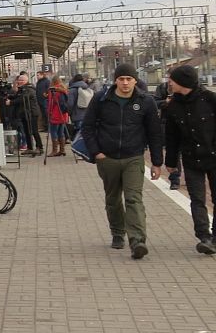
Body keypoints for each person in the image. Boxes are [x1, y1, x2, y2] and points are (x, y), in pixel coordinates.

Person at [81, 62, 163, 259]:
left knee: (134, 198)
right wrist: (96, 153)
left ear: (135, 80)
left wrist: (157, 162)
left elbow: (154, 133)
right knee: (113, 199)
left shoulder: (146, 101)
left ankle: (137, 241)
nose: (125, 83)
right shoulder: (101, 99)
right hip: (107, 158)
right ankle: (118, 233)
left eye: (129, 79)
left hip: (133, 158)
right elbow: (87, 127)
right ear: (115, 80)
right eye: (121, 79)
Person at [161, 65, 216, 254]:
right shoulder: (173, 106)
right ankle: (204, 237)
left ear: (182, 82)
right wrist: (170, 162)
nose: (169, 82)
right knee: (197, 199)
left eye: (172, 80)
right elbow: (172, 137)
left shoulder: (210, 100)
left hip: (214, 156)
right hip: (191, 159)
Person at [5, 74, 43, 156]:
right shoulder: (21, 89)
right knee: (27, 131)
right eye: (19, 80)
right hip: (24, 113)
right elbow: (17, 96)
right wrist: (9, 96)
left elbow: (22, 99)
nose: (20, 82)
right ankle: (29, 148)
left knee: (34, 131)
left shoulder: (29, 89)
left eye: (22, 80)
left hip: (31, 113)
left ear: (26, 81)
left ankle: (39, 147)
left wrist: (11, 102)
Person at [46, 75, 71, 156]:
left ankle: (54, 150)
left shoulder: (53, 90)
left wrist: (49, 112)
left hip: (55, 114)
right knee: (61, 132)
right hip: (63, 114)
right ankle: (62, 150)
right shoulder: (64, 90)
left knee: (53, 132)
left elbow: (51, 103)